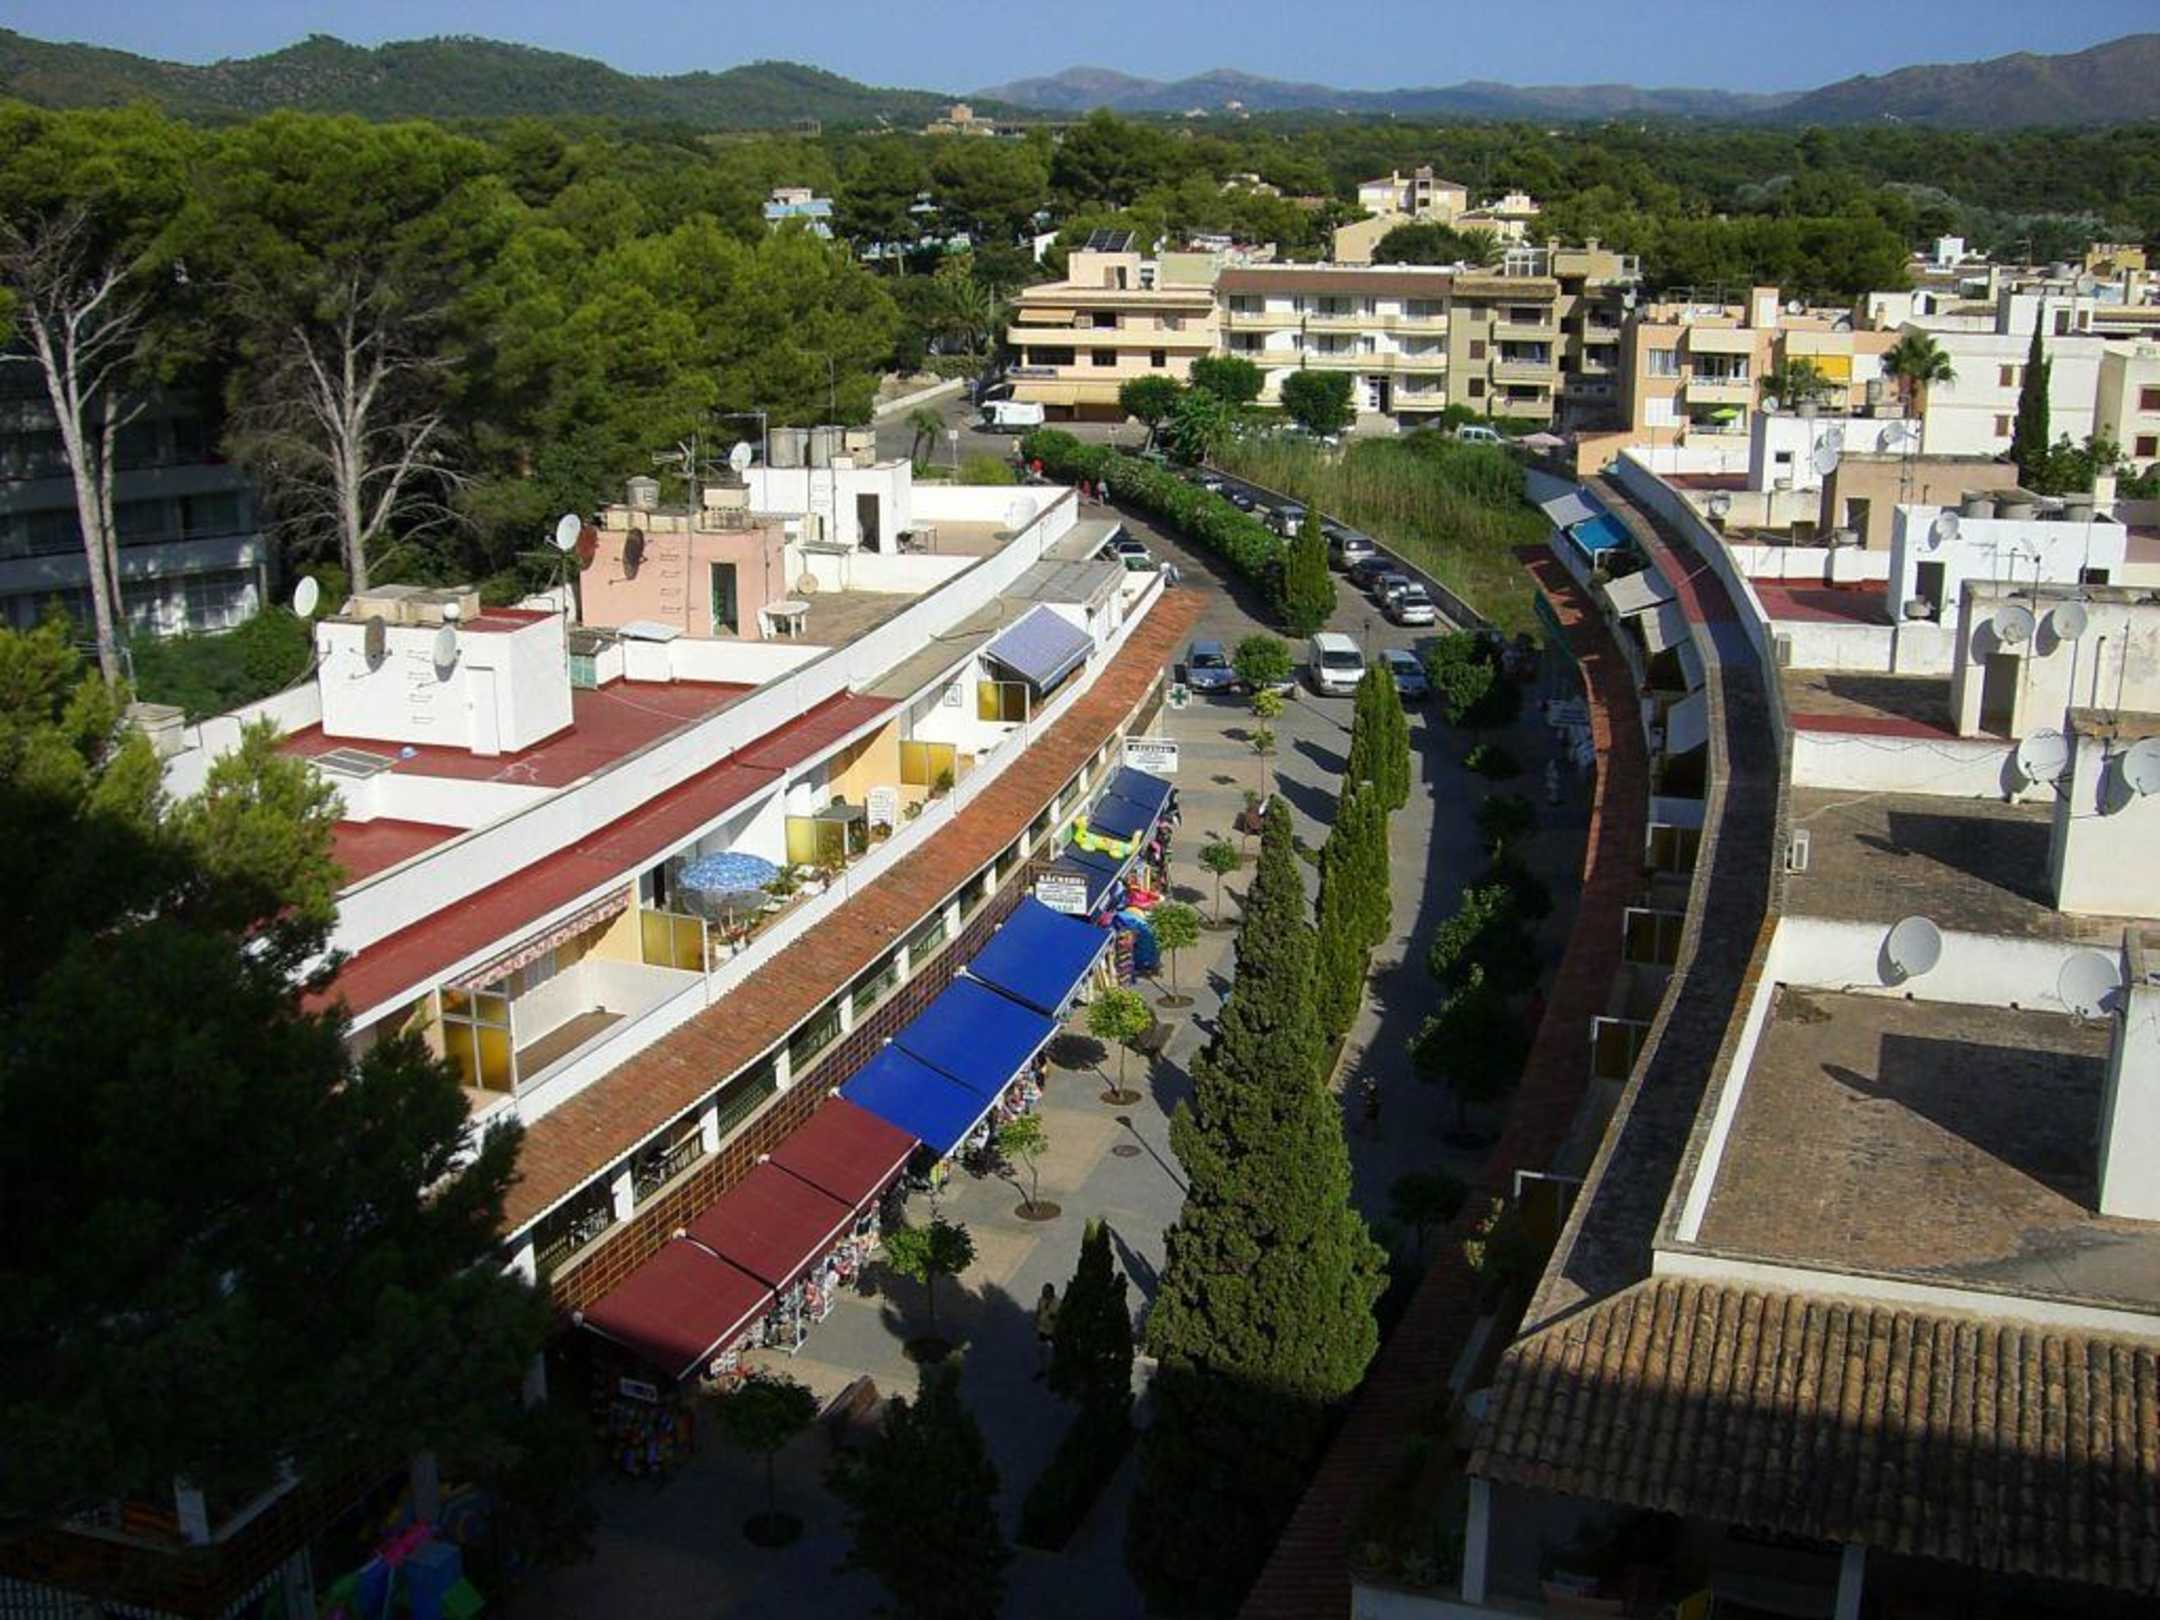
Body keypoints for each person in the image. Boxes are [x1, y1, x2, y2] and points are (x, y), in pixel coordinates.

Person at [1033, 1283, 1059, 1379]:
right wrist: (1036, 1321)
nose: (1044, 1294)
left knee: (1055, 1351)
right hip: (1042, 1329)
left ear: (1052, 1293)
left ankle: (1056, 1369)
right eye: (1044, 1292)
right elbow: (1038, 1311)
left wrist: (1052, 1317)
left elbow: (1057, 1316)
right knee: (1040, 1350)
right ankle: (1042, 1369)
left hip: (1052, 1330)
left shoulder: (1057, 1303)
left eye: (1047, 1292)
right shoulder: (1041, 1300)